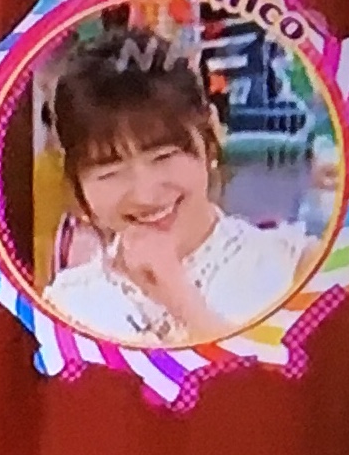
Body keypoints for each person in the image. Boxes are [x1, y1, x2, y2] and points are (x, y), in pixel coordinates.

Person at [40, 24, 314, 346]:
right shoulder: (67, 307)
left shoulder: (295, 267)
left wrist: (181, 300)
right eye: (109, 172)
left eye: (163, 156)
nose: (145, 194)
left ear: (209, 135)